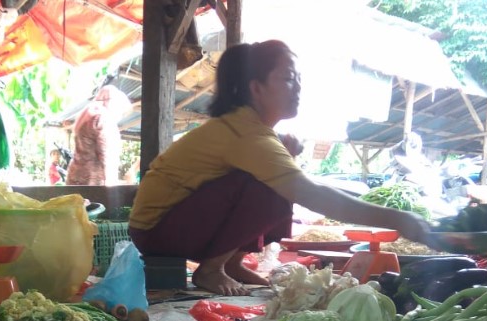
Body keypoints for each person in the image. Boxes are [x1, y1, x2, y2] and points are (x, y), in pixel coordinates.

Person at [128, 40, 432, 296]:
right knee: (273, 188)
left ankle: (231, 263)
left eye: (298, 78)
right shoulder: (246, 133)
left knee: (276, 181)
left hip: (167, 226)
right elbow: (314, 195)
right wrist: (397, 218)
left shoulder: (250, 130)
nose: (297, 87)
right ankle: (211, 270)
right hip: (157, 231)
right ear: (256, 88)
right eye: (288, 78)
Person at [65, 85, 133, 185]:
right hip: (92, 181)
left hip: (75, 177)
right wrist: (111, 187)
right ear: (115, 104)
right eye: (121, 112)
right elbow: (107, 156)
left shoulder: (86, 113)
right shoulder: (104, 118)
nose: (120, 116)